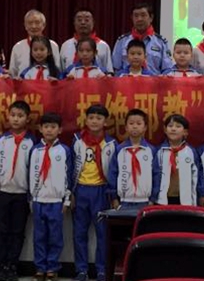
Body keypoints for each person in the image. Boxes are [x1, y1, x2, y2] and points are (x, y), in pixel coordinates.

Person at [72, 105, 116, 281]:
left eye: (99, 118)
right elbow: (71, 166)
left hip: (101, 191)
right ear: (86, 120)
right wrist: (70, 192)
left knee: (102, 233)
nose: (94, 121)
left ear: (105, 122)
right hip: (81, 189)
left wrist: (113, 195)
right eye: (91, 118)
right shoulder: (78, 140)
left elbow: (114, 171)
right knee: (79, 233)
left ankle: (102, 269)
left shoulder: (111, 144)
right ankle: (81, 270)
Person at [0, 101, 36, 281]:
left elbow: (34, 169)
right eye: (13, 115)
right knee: (1, 230)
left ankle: (12, 265)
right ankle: (0, 265)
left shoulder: (32, 142)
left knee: (17, 231)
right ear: (8, 117)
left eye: (20, 116)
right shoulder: (1, 140)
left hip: (21, 194)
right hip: (2, 192)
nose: (16, 119)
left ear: (27, 119)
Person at [29, 112, 73, 281]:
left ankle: (52, 267)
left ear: (60, 130)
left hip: (56, 202)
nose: (49, 130)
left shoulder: (64, 151)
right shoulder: (35, 150)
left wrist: (66, 200)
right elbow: (29, 175)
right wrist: (30, 199)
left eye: (53, 127)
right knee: (39, 237)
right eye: (46, 127)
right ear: (40, 129)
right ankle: (40, 267)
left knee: (55, 237)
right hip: (38, 200)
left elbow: (68, 176)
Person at [109, 109, 157, 210]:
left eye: (139, 124)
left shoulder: (151, 150)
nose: (135, 126)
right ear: (126, 127)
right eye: (131, 123)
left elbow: (156, 175)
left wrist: (153, 199)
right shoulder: (119, 150)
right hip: (123, 201)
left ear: (145, 127)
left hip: (145, 201)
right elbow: (113, 173)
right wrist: (114, 198)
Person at [151, 114, 204, 206]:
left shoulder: (191, 152)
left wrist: (201, 194)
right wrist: (153, 197)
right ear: (165, 130)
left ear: (185, 132)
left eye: (178, 126)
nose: (173, 129)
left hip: (185, 200)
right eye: (170, 126)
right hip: (162, 200)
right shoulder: (159, 151)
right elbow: (154, 175)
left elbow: (197, 176)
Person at [112, 3, 173, 75]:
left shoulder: (161, 42)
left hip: (153, 81)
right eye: (136, 16)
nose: (139, 19)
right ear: (132, 18)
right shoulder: (122, 41)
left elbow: (167, 69)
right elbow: (116, 68)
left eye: (143, 15)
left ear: (151, 18)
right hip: (127, 81)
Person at [9, 10, 61, 79]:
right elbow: (12, 74)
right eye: (30, 23)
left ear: (44, 25)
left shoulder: (53, 45)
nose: (33, 26)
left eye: (37, 22)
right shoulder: (17, 47)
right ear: (25, 26)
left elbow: (58, 71)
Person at [60, 8, 113, 74]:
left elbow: (109, 72)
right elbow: (61, 72)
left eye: (87, 20)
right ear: (74, 23)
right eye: (79, 20)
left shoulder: (103, 46)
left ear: (93, 22)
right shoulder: (65, 45)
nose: (83, 22)